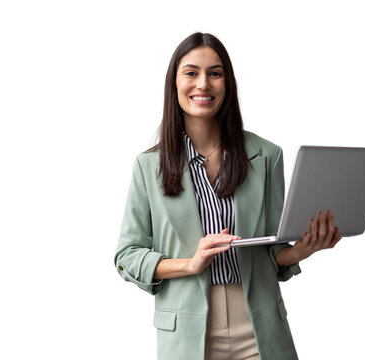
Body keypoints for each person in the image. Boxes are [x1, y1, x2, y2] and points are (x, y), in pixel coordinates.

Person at [114, 32, 342, 360]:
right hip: (188, 330)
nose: (203, 84)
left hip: (260, 323)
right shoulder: (148, 166)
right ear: (174, 84)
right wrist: (190, 263)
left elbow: (273, 249)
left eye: (215, 73)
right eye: (191, 73)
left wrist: (302, 251)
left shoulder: (266, 155)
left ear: (228, 84)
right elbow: (127, 256)